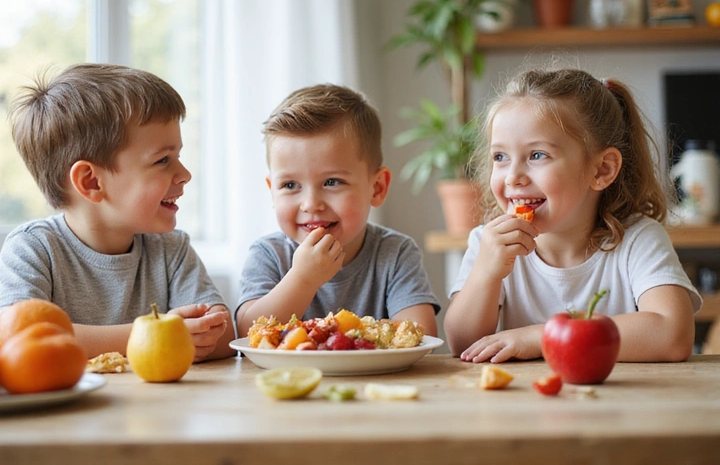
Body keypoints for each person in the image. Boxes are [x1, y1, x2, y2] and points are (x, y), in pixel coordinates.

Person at [443, 68, 701, 363]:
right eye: (500, 157)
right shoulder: (487, 244)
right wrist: (486, 273)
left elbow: (673, 335)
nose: (513, 176)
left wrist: (541, 337)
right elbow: (462, 344)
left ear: (602, 170)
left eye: (537, 154)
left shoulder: (638, 239)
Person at [0, 63, 235, 361]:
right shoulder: (32, 249)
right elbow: (17, 337)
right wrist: (155, 334)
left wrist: (203, 332)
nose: (184, 174)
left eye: (178, 156)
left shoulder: (172, 249)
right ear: (91, 182)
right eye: (162, 160)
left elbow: (225, 338)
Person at [235, 84, 440, 338]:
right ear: (272, 191)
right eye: (290, 185)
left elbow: (419, 336)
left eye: (332, 182)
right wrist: (302, 279)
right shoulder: (268, 255)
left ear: (376, 188)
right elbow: (247, 332)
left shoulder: (395, 253)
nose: (311, 204)